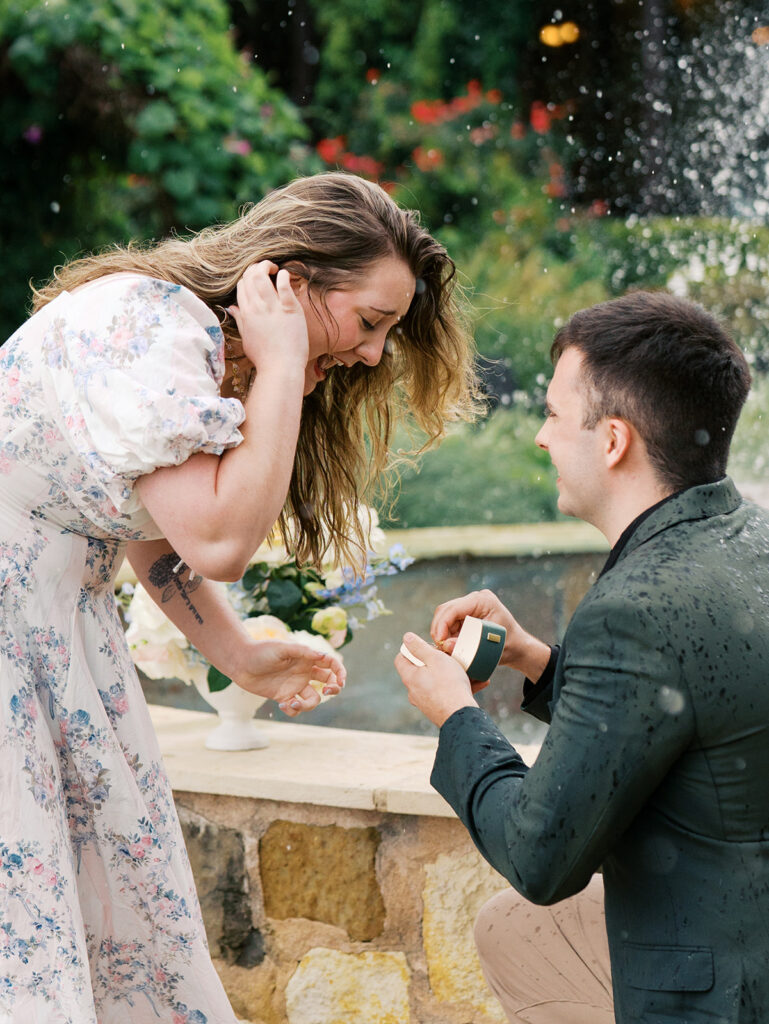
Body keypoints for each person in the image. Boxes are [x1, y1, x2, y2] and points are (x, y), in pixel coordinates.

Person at [0, 171, 479, 1023]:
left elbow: (149, 522)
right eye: (369, 322)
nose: (371, 355)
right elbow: (219, 541)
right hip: (19, 643)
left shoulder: (182, 339)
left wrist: (239, 654)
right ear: (290, 281)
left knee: (107, 927)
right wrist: (285, 360)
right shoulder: (150, 325)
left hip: (53, 644)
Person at [395, 290, 769, 1023]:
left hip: (719, 991)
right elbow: (689, 704)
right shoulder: (746, 538)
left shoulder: (633, 608)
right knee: (510, 932)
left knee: (521, 918)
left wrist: (456, 717)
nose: (539, 436)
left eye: (553, 415)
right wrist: (536, 661)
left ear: (612, 441)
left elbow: (542, 858)